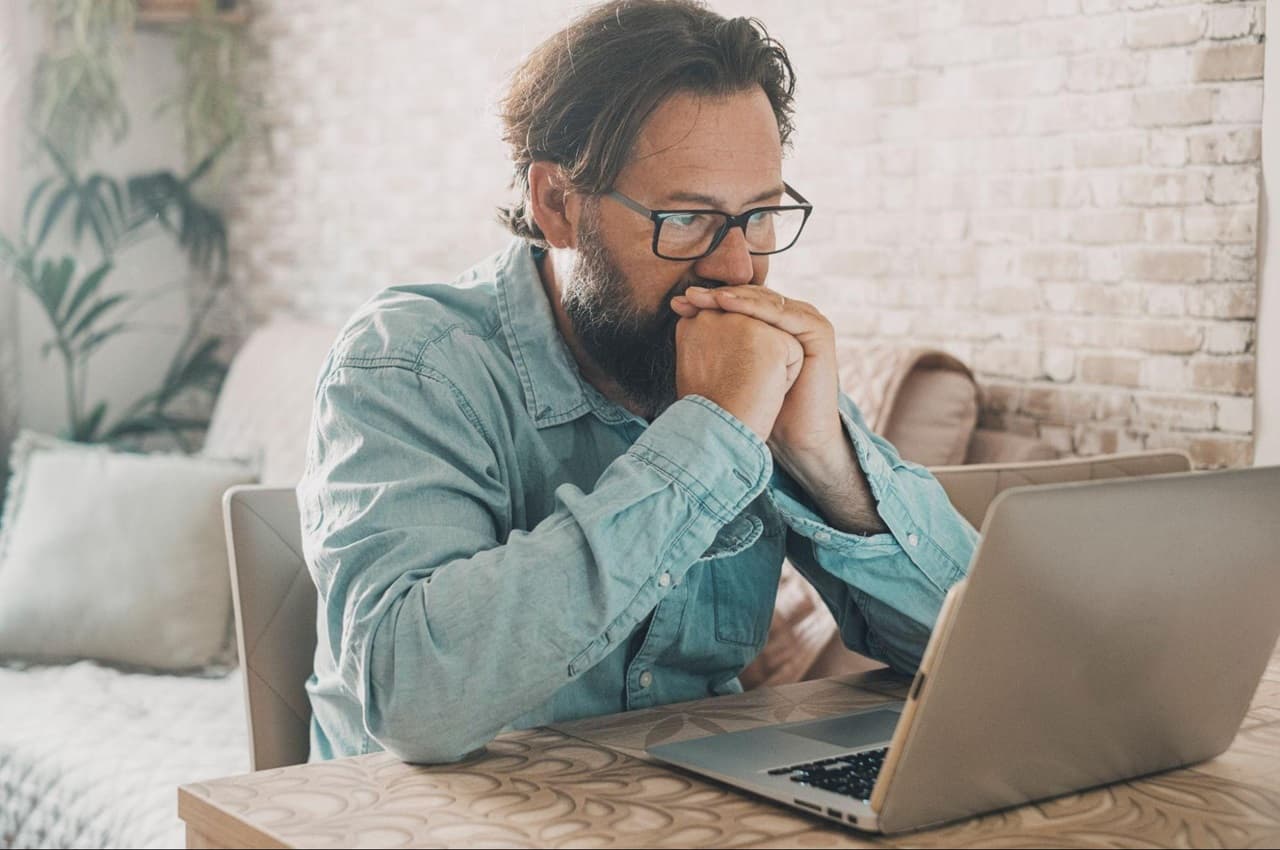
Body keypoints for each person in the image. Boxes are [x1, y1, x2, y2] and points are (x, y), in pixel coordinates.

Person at [298, 0, 978, 764]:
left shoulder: (752, 360)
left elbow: (985, 658)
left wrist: (827, 460)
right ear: (556, 204)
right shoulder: (411, 364)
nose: (734, 267)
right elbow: (414, 700)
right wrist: (710, 440)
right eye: (684, 218)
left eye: (758, 215)